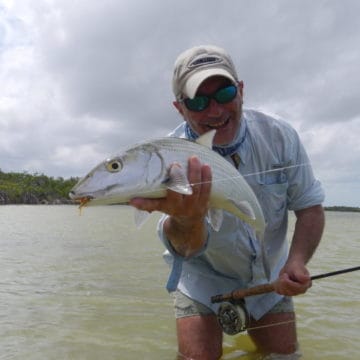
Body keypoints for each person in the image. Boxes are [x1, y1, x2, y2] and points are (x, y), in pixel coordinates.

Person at [130, 45, 325, 359]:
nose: (215, 111)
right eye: (197, 101)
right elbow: (187, 247)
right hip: (201, 274)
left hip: (269, 274)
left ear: (242, 90)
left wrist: (297, 261)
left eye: (225, 93)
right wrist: (188, 220)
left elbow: (310, 208)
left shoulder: (280, 137)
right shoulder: (167, 159)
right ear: (179, 108)